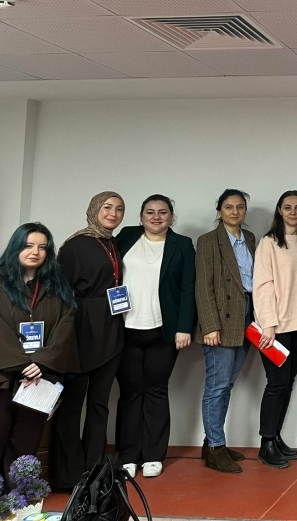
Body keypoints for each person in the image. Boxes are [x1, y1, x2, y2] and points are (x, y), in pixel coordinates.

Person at [0, 223, 78, 477]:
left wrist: (41, 362)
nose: (35, 252)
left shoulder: (56, 286)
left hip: (39, 377)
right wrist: (22, 363)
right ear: (15, 247)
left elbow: (65, 326)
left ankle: (19, 494)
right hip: (0, 375)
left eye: (42, 247)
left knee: (26, 442)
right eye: (28, 245)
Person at [114, 195, 196, 479]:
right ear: (141, 216)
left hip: (163, 330)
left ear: (171, 216)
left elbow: (188, 288)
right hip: (125, 329)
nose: (156, 217)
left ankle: (152, 455)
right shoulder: (126, 237)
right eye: (150, 212)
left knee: (156, 391)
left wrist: (184, 327)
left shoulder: (182, 244)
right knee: (130, 392)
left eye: (163, 212)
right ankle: (127, 455)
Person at [52, 191, 126, 489]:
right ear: (94, 209)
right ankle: (68, 474)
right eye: (107, 207)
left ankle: (94, 472)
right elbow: (60, 294)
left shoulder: (113, 243)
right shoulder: (74, 246)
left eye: (119, 209)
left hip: (111, 330)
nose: (113, 213)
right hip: (81, 330)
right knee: (72, 405)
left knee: (99, 404)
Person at [195, 189, 256, 474]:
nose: (234, 212)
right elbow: (203, 286)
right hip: (221, 319)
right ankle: (216, 449)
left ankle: (213, 442)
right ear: (219, 211)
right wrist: (210, 325)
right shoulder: (208, 240)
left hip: (247, 315)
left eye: (240, 207)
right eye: (229, 207)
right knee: (217, 386)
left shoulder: (250, 238)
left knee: (227, 384)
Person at [252, 191, 297, 469]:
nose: (293, 212)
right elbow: (262, 284)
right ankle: (265, 443)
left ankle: (276, 437)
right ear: (279, 210)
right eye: (287, 207)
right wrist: (268, 324)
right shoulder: (268, 243)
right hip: (276, 328)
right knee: (276, 384)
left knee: (287, 383)